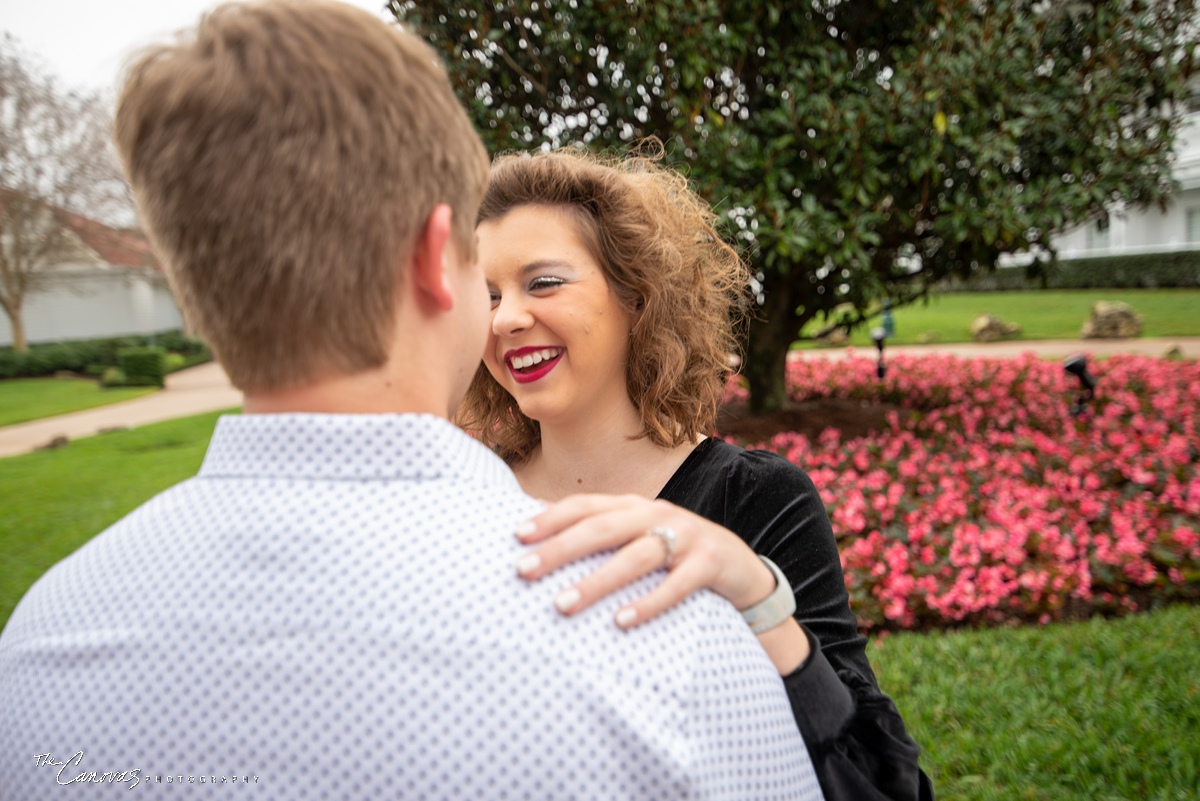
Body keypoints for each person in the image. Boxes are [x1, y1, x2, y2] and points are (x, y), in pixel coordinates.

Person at [0, 4, 824, 800]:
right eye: (485, 273)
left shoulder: (37, 643)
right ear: (439, 257)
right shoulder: (669, 641)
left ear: (194, 286)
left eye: (542, 281)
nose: (505, 315)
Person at [458, 147, 934, 801]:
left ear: (636, 297)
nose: (505, 317)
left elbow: (881, 783)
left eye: (543, 283)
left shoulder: (755, 497)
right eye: (485, 294)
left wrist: (753, 591)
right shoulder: (467, 493)